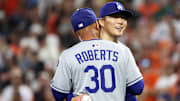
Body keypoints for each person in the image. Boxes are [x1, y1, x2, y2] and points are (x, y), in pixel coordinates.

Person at [51, 8, 143, 101]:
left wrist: (72, 97)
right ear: (97, 24)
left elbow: (58, 95)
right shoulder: (121, 49)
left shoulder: (67, 55)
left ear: (75, 33)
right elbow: (138, 87)